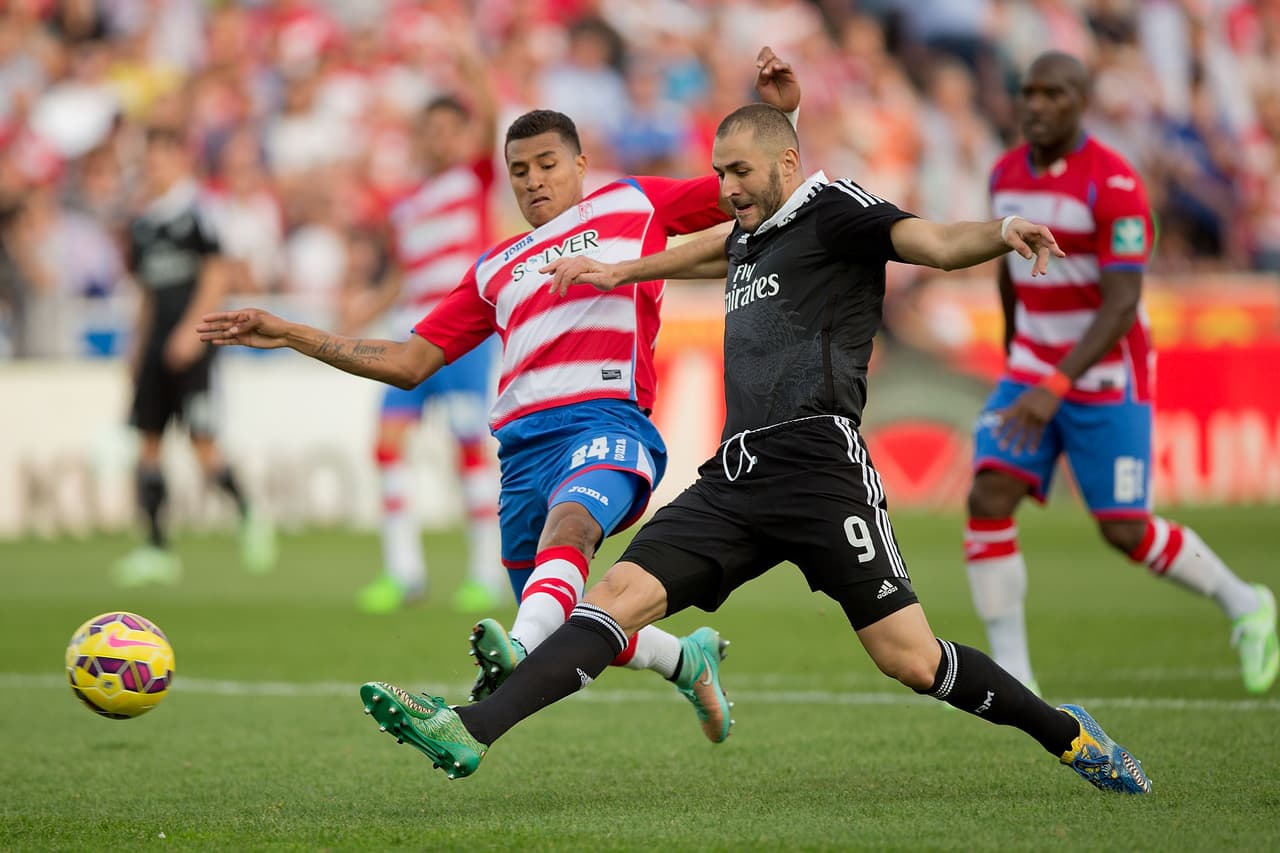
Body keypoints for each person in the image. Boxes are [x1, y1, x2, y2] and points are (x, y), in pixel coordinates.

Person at [349, 101, 1153, 796]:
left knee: (910, 659)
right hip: (735, 477)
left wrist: (1004, 231)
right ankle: (469, 727)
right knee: (612, 596)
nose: (727, 188)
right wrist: (622, 272)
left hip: (821, 470)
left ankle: (1067, 733)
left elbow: (935, 242)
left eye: (739, 172)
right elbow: (707, 252)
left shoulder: (834, 210)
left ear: (787, 164)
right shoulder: (746, 235)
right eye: (719, 173)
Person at [198, 47, 805, 744]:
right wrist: (291, 333)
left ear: (580, 164)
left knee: (570, 531)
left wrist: (782, 117)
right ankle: (684, 658)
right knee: (566, 617)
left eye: (548, 164)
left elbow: (750, 192)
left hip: (607, 424)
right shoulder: (494, 268)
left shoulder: (632, 203)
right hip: (520, 456)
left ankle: (504, 665)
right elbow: (408, 361)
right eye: (520, 171)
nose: (534, 181)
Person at [964, 52, 1278, 697]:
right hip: (1033, 366)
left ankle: (1246, 603)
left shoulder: (1114, 184)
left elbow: (1122, 303)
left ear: (1082, 102)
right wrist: (1016, 353)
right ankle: (1014, 673)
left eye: (1053, 94)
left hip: (1105, 371)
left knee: (1123, 528)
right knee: (988, 496)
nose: (1036, 105)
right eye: (1030, 92)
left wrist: (1055, 386)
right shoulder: (1004, 173)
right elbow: (1007, 267)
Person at [337, 50, 506, 615]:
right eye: (429, 130)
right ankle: (403, 572)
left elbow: (492, 116)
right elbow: (402, 275)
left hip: (464, 336)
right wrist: (360, 316)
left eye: (448, 129)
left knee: (468, 449)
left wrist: (470, 62)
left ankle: (484, 574)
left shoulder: (472, 177)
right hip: (411, 334)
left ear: (463, 134)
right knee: (386, 445)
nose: (438, 139)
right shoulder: (405, 203)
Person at [114, 127, 276, 586]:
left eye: (162, 158)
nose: (154, 167)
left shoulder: (200, 212)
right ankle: (155, 548)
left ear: (180, 161)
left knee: (202, 445)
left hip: (195, 344)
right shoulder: (144, 224)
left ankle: (248, 514)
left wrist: (191, 330)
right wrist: (138, 343)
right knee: (147, 443)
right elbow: (148, 292)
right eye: (150, 160)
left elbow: (217, 273)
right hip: (155, 347)